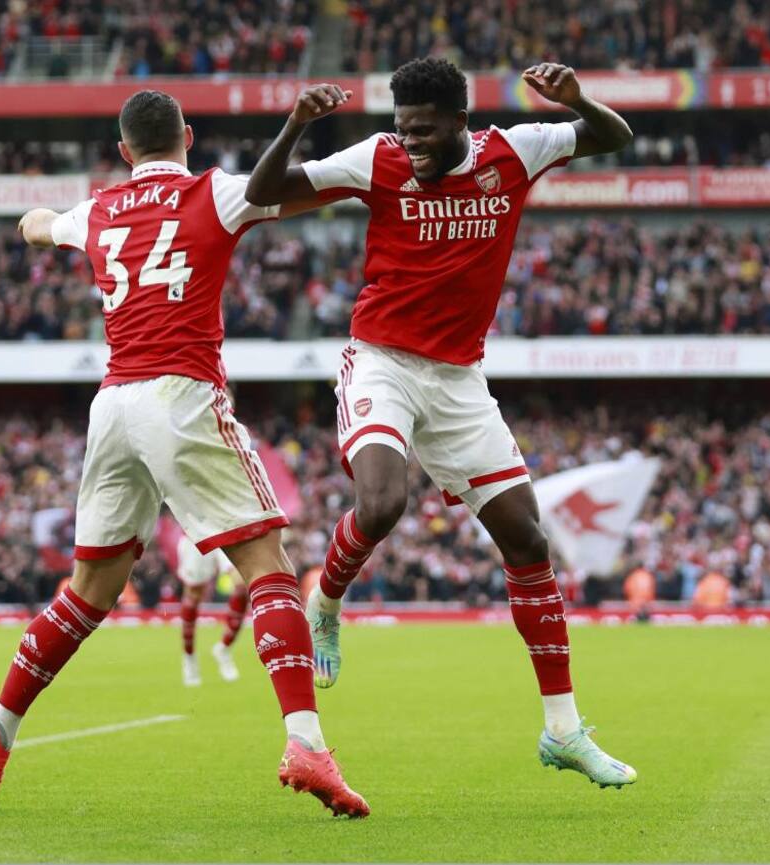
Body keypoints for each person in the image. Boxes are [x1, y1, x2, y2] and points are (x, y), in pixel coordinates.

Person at [0, 90, 368, 817]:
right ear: (187, 135)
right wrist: (311, 134)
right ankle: (305, 740)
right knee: (270, 570)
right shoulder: (217, 192)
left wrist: (42, 224)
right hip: (181, 394)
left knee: (88, 592)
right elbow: (302, 185)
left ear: (123, 151)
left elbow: (35, 225)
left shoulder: (97, 210)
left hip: (113, 406)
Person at [246, 58, 638, 788]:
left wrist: (578, 99)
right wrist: (297, 124)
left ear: (461, 121)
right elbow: (266, 192)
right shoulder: (378, 160)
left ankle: (562, 730)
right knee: (384, 502)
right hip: (383, 361)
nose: (410, 143)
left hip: (459, 379)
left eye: (424, 131)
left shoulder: (513, 151)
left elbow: (614, 137)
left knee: (526, 535)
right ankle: (325, 598)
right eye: (403, 129)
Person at [176, 534, 247, 686]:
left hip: (225, 530)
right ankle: (189, 657)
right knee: (193, 596)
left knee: (241, 586)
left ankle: (224, 648)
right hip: (196, 532)